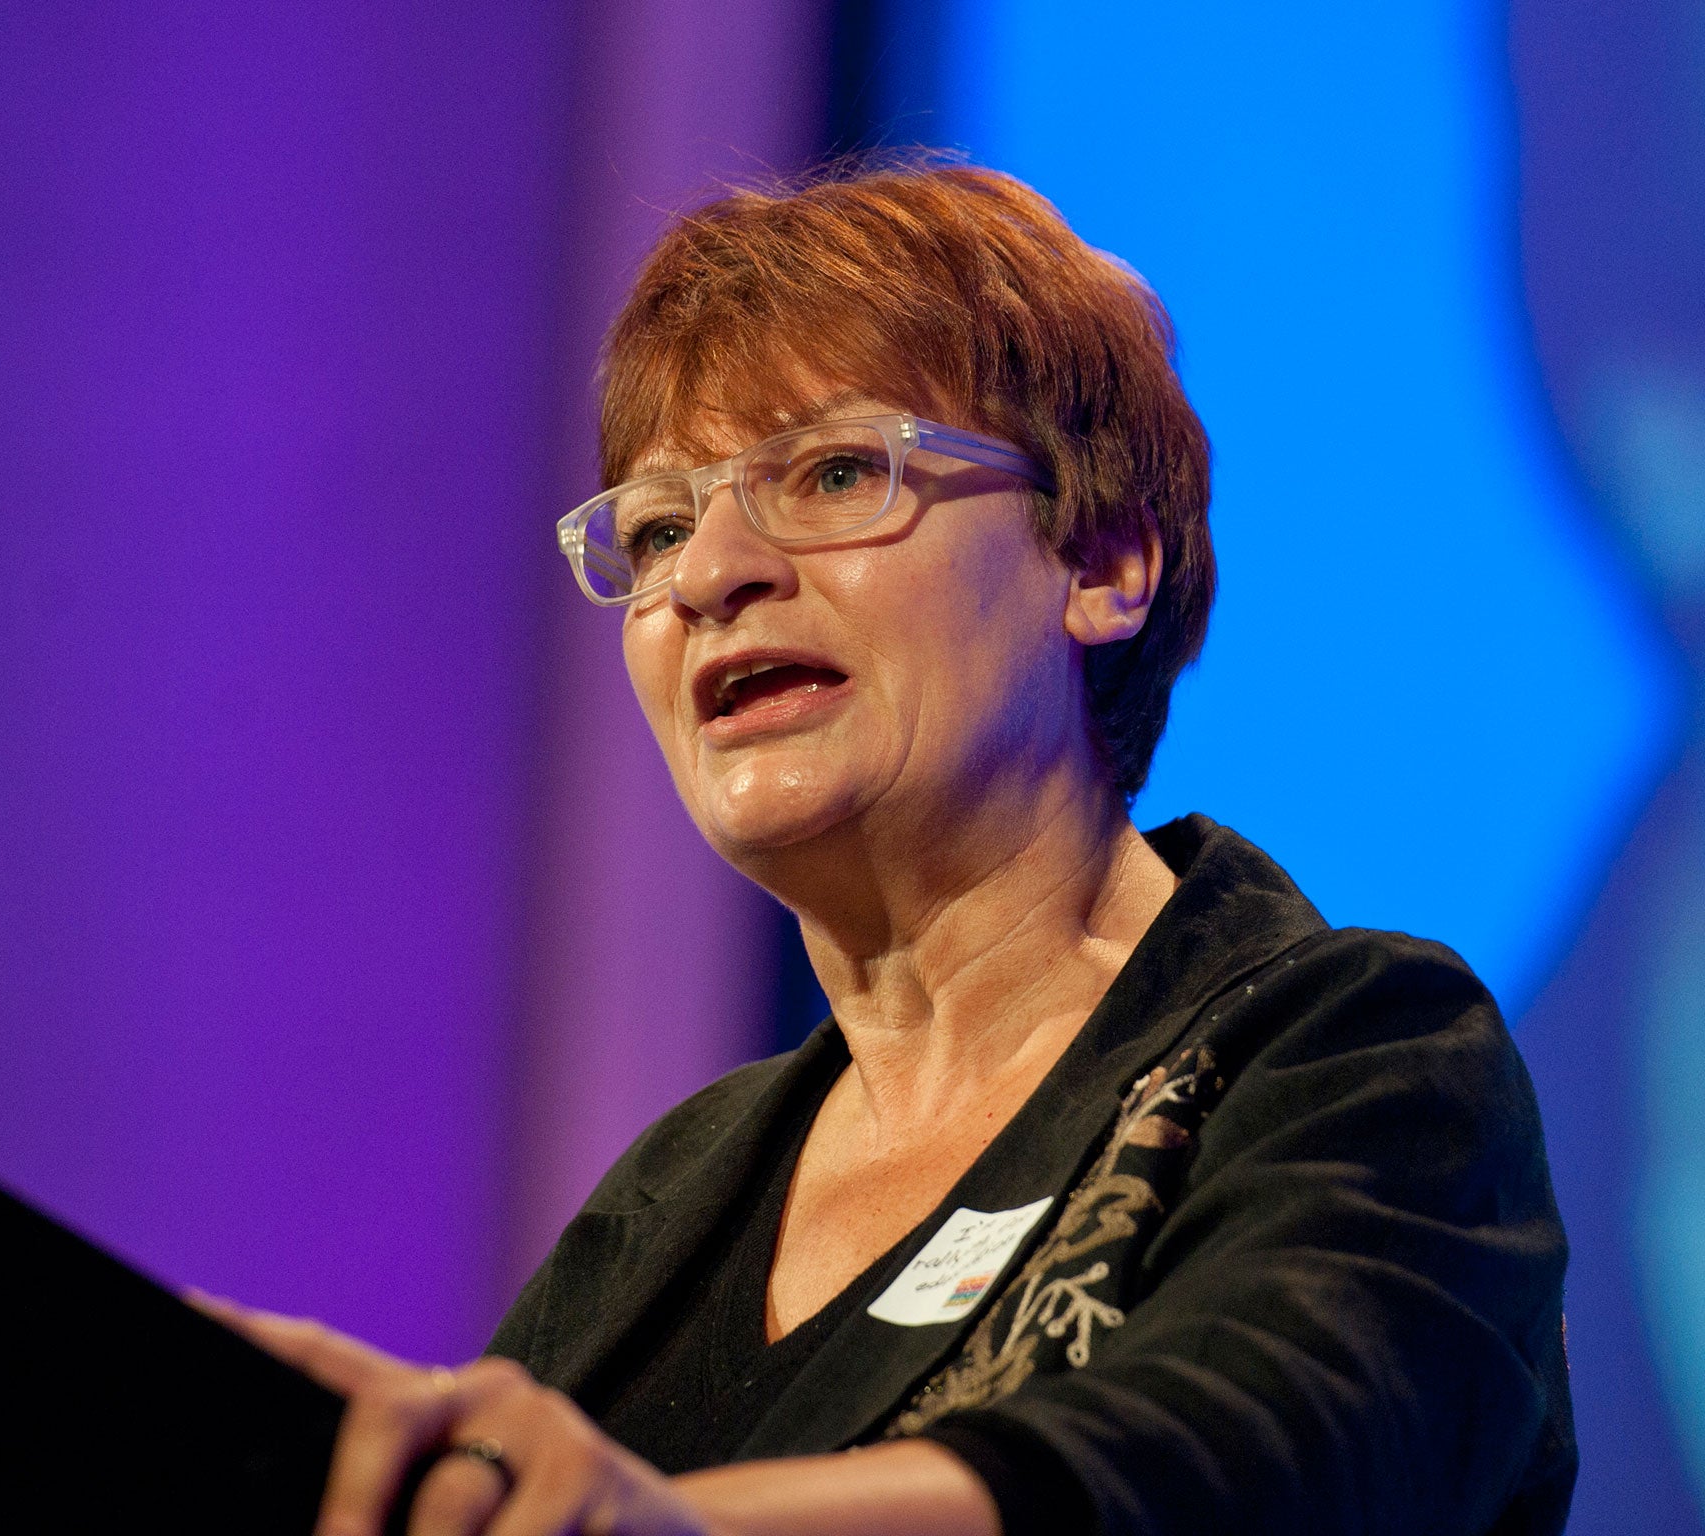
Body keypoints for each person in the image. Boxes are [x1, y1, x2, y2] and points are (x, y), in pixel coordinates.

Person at [201, 161, 1575, 1536]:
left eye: (839, 472)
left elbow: (1246, 1468)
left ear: (1099, 563)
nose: (709, 576)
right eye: (662, 526)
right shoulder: (673, 1203)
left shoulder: (1359, 1058)